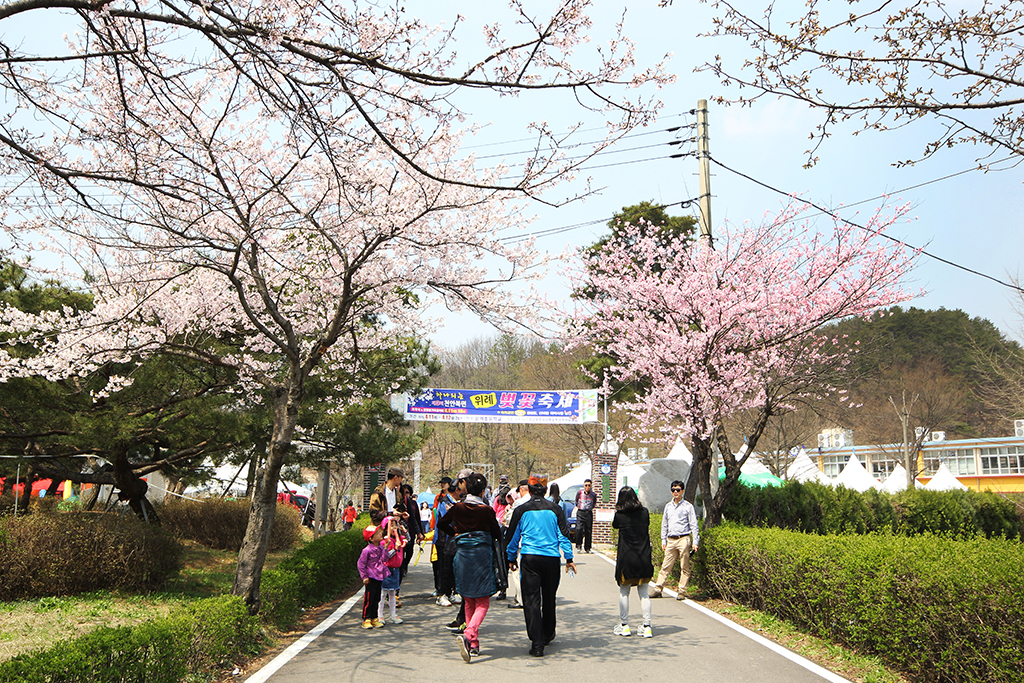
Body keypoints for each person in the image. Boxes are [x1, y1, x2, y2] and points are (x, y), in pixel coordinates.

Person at [504, 474, 576, 658]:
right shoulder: (555, 509)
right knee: (549, 597)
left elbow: (513, 537)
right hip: (551, 559)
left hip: (530, 559)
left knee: (531, 600)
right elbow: (563, 535)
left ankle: (537, 643)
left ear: (529, 489)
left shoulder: (521, 510)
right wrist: (569, 558)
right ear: (545, 490)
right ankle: (548, 633)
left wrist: (511, 558)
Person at [437, 472, 505, 662]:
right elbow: (497, 534)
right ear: (483, 491)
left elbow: (442, 523)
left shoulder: (458, 507)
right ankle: (469, 633)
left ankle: (473, 645)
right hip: (481, 556)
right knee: (483, 601)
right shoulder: (486, 510)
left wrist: (456, 533)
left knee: (468, 600)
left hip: (462, 555)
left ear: (467, 488)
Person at [611, 486, 654, 638]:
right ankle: (647, 627)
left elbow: (615, 525)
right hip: (643, 558)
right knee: (644, 593)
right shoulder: (645, 513)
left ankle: (624, 626)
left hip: (627, 559)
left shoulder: (620, 515)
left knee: (624, 592)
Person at [650, 480, 701, 600]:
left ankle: (682, 591)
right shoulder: (668, 506)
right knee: (665, 566)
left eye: (678, 490)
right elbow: (664, 524)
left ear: (682, 491)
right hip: (671, 540)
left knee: (684, 566)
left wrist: (695, 542)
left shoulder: (688, 506)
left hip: (683, 538)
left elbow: (694, 525)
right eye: (673, 490)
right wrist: (663, 540)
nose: (675, 492)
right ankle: (658, 589)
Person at [357, 524, 391, 629]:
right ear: (371, 538)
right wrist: (364, 576)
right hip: (371, 577)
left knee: (377, 598)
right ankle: (366, 618)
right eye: (377, 533)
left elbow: (385, 559)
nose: (380, 534)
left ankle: (374, 617)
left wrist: (386, 548)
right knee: (369, 599)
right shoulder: (367, 550)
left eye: (379, 532)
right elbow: (361, 564)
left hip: (379, 576)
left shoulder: (381, 547)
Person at [574, 478, 598, 553]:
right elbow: (576, 501)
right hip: (580, 512)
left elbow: (594, 503)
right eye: (586, 485)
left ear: (591, 486)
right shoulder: (579, 493)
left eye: (589, 485)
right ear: (584, 485)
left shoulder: (593, 495)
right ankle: (578, 545)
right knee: (579, 529)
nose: (587, 487)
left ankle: (587, 548)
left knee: (588, 530)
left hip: (588, 513)